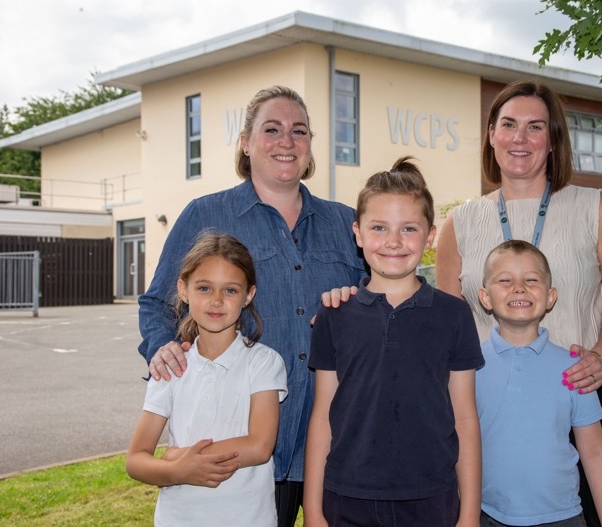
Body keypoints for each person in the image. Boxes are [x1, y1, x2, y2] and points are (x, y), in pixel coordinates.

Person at [137, 85, 367, 527]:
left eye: (299, 131)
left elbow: (377, 299)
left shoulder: (343, 222)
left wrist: (357, 304)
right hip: (244, 457)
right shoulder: (206, 214)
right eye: (272, 129)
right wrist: (160, 346)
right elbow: (156, 302)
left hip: (335, 441)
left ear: (310, 145)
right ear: (246, 142)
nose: (286, 141)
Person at [435, 80, 602, 526]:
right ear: (491, 134)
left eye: (535, 127)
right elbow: (443, 322)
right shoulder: (460, 222)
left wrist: (599, 358)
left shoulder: (597, 209)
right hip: (482, 403)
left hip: (573, 392)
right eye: (508, 124)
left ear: (553, 139)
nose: (519, 138)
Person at [304, 156, 484, 527]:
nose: (393, 242)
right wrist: (314, 510)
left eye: (409, 229)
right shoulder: (333, 314)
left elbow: (465, 418)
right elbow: (322, 416)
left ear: (430, 236)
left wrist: (469, 514)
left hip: (432, 498)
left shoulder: (454, 315)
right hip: (346, 498)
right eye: (379, 228)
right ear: (357, 233)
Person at [127, 233, 288, 526]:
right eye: (204, 288)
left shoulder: (263, 362)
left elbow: (259, 446)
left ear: (248, 295)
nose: (216, 301)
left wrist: (178, 455)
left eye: (230, 290)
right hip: (178, 519)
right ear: (183, 290)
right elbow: (136, 459)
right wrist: (179, 470)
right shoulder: (170, 366)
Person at [476, 240, 602, 527]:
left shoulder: (574, 367)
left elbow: (594, 451)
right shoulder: (469, 366)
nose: (519, 288)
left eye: (531, 280)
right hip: (486, 515)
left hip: (562, 518)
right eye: (505, 280)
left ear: (550, 297)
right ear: (486, 297)